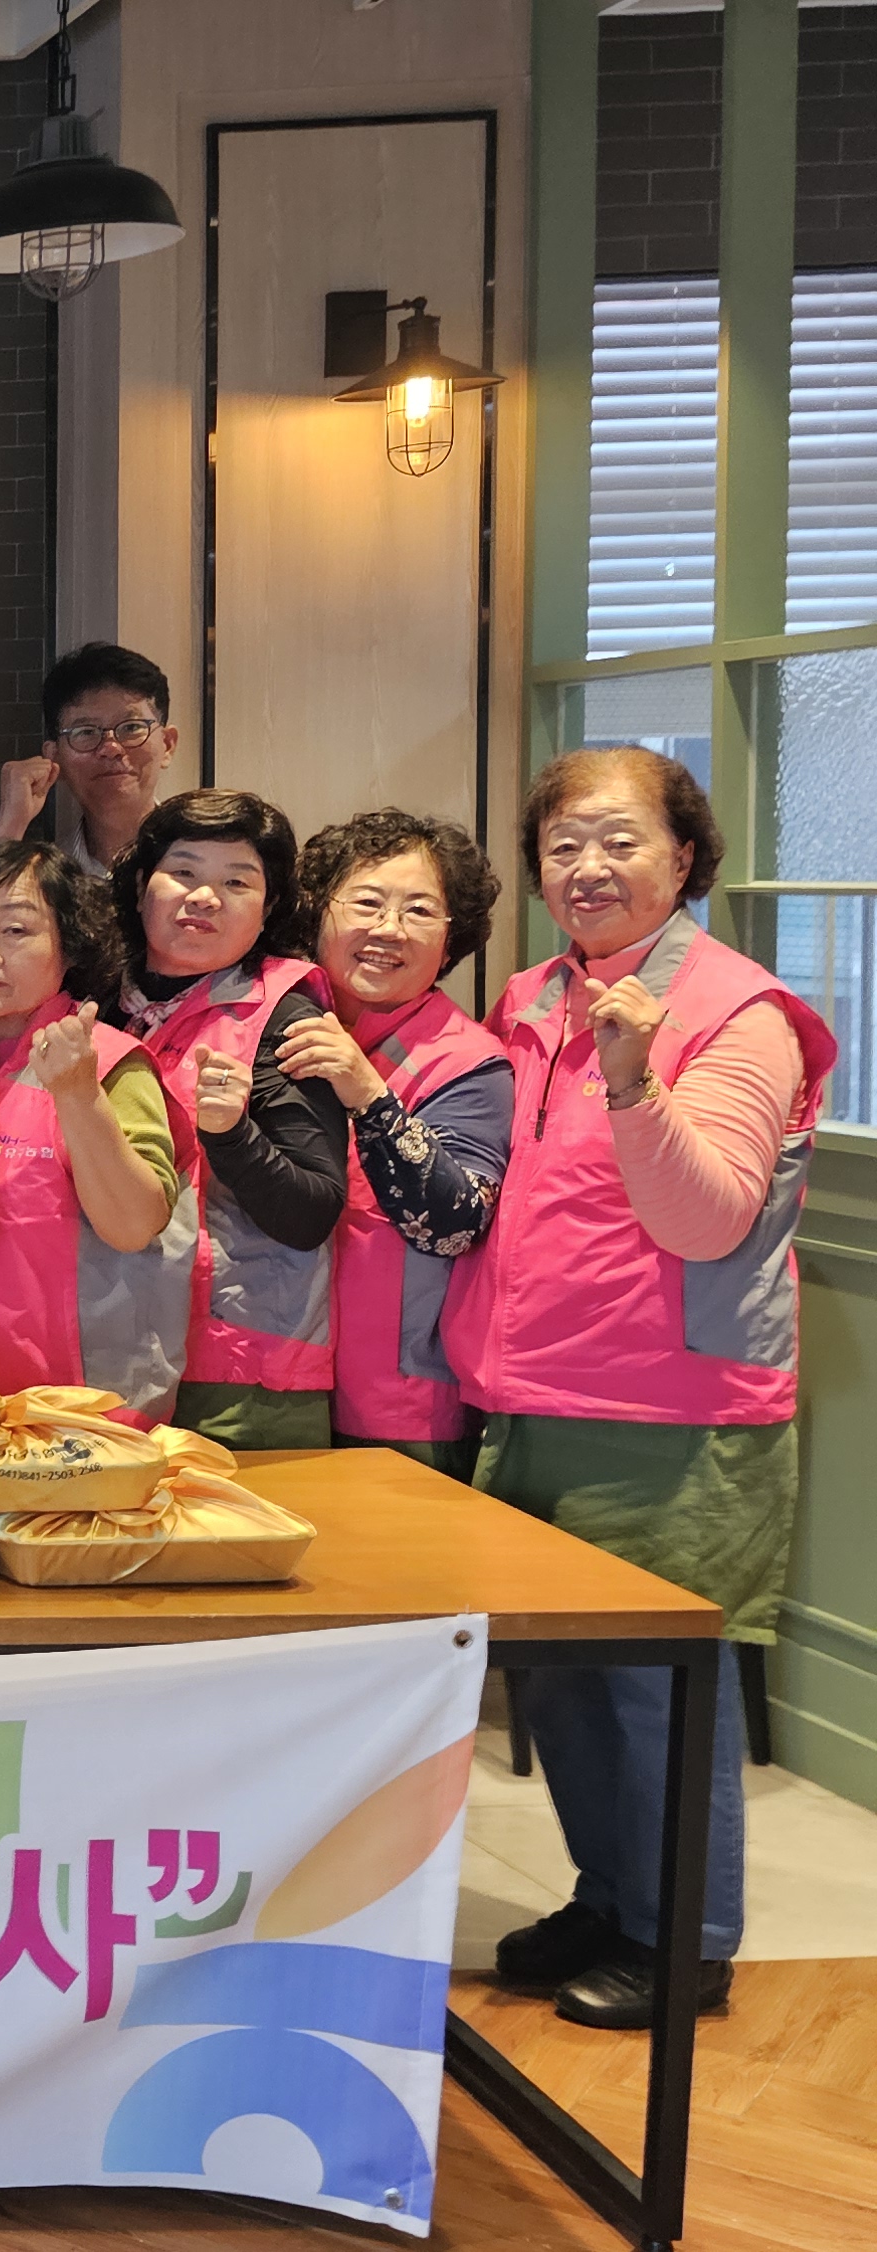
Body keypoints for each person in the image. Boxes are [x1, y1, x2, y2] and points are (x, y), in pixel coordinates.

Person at [453, 749, 830, 2031]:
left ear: (683, 855)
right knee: (562, 1679)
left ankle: (687, 1941)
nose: (587, 867)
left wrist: (633, 1077)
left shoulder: (738, 1010)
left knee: (658, 1690)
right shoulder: (533, 993)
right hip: (534, 1390)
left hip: (674, 1410)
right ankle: (610, 1895)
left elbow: (705, 1217)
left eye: (618, 840)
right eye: (562, 843)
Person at [115, 788, 351, 1452]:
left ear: (269, 906)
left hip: (241, 1377)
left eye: (237, 882)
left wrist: (233, 1135)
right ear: (142, 883)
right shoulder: (101, 1002)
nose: (204, 897)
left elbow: (311, 1212)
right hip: (110, 1350)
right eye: (183, 871)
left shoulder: (286, 1017)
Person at [0, 839, 193, 1424]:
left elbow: (135, 1224)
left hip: (85, 1414)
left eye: (16, 931)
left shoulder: (108, 1061)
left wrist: (78, 1093)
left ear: (69, 945)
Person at [285, 811, 513, 1475]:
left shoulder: (469, 1062)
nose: (389, 929)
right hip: (270, 1381)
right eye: (366, 903)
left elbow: (454, 1224)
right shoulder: (272, 1026)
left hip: (397, 1407)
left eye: (419, 911)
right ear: (317, 912)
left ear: (450, 939)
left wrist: (368, 1093)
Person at [0, 641, 179, 879]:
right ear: (54, 756)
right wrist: (9, 827)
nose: (111, 748)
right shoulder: (47, 879)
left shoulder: (205, 860)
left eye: (131, 727)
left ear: (167, 744)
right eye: (86, 732)